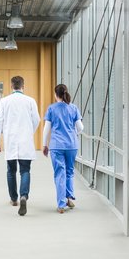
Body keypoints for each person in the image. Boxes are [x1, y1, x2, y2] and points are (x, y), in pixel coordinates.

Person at [0, 76, 40, 216]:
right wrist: (29, 131)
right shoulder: (30, 101)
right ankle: (23, 196)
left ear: (11, 86)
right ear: (23, 86)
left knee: (11, 171)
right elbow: (37, 119)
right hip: (25, 141)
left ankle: (14, 199)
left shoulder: (4, 101)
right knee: (25, 171)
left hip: (11, 141)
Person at [42, 84, 84, 213]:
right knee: (69, 172)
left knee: (60, 173)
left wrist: (45, 145)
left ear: (56, 95)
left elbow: (46, 129)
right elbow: (80, 128)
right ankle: (69, 197)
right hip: (72, 145)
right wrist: (73, 133)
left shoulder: (51, 109)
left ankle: (61, 204)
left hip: (56, 146)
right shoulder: (73, 108)